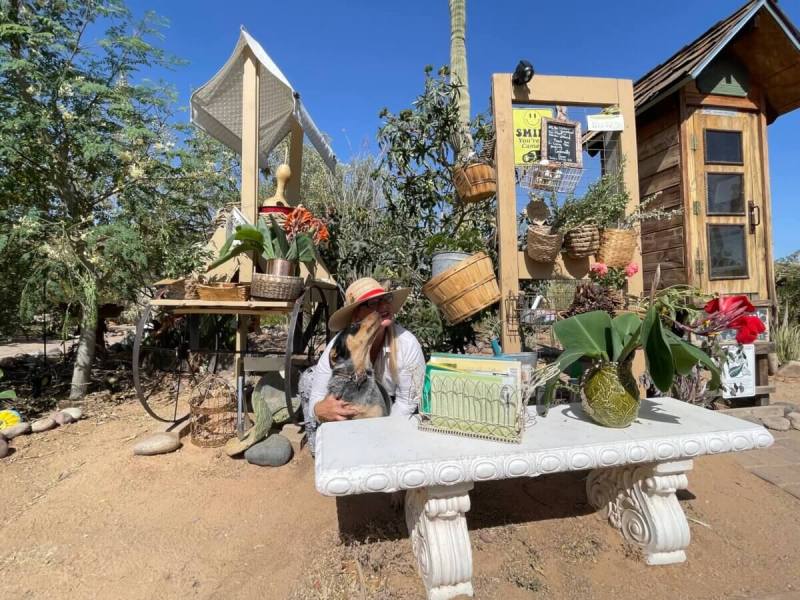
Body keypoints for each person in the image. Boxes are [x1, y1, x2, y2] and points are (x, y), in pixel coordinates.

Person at [308, 277, 426, 427]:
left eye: (386, 298)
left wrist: (382, 430)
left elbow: (407, 402)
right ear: (356, 316)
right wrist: (319, 410)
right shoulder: (339, 346)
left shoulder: (407, 344)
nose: (384, 305)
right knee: (308, 380)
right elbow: (316, 399)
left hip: (391, 412)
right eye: (373, 303)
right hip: (351, 411)